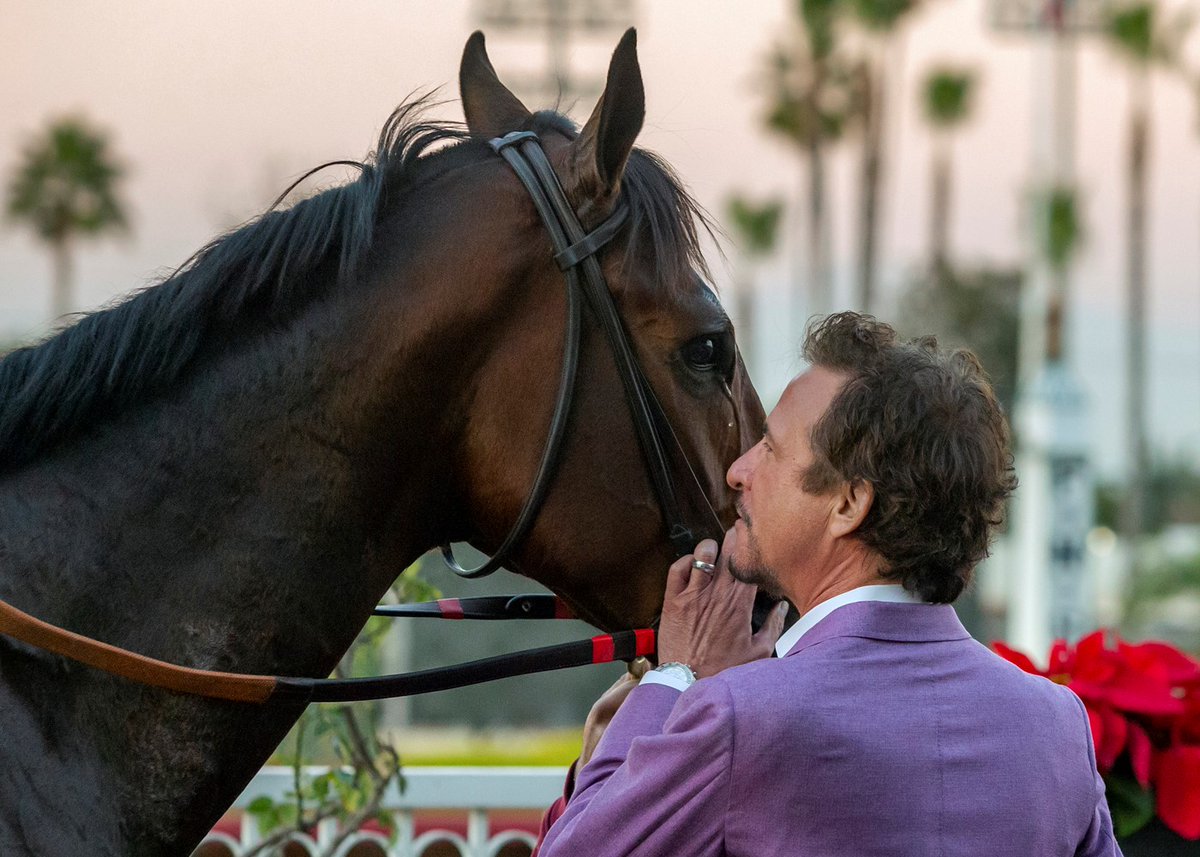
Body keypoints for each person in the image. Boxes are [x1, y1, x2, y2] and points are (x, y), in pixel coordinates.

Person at [534, 312, 1119, 856]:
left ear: (848, 503)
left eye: (770, 447)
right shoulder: (1056, 723)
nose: (739, 471)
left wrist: (672, 679)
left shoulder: (740, 716)